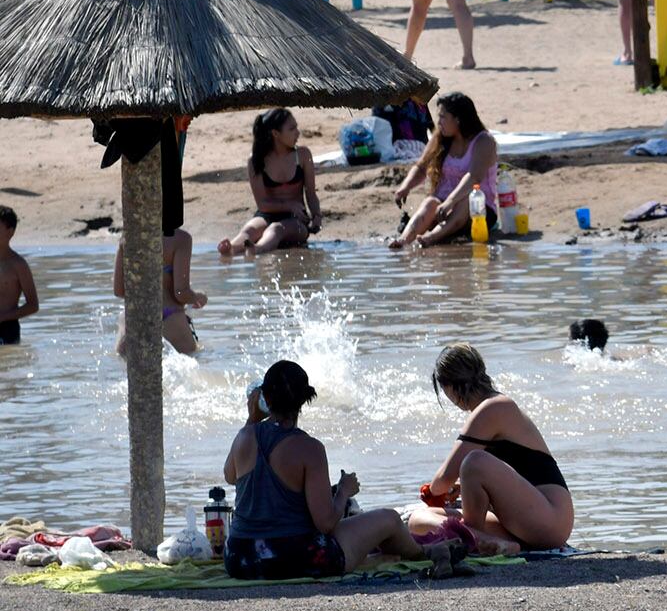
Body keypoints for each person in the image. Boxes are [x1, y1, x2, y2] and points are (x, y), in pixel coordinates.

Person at [225, 360, 458, 580]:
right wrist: (344, 492)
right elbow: (325, 523)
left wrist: (251, 420)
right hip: (294, 558)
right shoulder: (310, 448)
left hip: (240, 559)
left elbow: (230, 476)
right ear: (305, 400)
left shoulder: (245, 435)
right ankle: (424, 552)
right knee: (389, 518)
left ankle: (376, 558)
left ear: (264, 398)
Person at [410, 344, 573, 554]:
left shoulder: (493, 407)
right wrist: (466, 487)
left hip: (549, 520)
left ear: (449, 386)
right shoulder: (495, 406)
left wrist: (432, 492)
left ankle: (472, 540)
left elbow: (442, 481)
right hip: (528, 524)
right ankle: (489, 543)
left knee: (473, 462)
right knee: (419, 520)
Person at [391, 92, 499, 249]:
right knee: (430, 202)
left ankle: (430, 238)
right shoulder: (441, 137)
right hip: (442, 209)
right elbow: (421, 167)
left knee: (466, 200)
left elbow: (473, 177)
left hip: (478, 212)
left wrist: (450, 202)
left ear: (458, 120)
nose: (438, 122)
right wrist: (405, 187)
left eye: (442, 117)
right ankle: (403, 240)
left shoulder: (484, 141)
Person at [219, 109, 321, 257]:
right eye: (292, 129)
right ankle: (231, 249)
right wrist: (289, 205)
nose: (298, 133)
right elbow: (263, 204)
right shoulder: (256, 160)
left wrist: (317, 215)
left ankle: (257, 249)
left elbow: (311, 193)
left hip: (296, 220)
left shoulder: (303, 155)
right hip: (267, 213)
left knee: (276, 229)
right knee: (249, 230)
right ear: (275, 134)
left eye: (296, 127)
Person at [115, 229, 207, 356]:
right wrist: (197, 297)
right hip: (169, 319)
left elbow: (119, 290)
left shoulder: (128, 236)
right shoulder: (180, 238)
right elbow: (181, 292)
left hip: (133, 321)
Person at [0, 206, 39, 346]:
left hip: (7, 328)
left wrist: (3, 317)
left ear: (10, 232)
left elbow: (33, 305)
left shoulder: (18, 265)